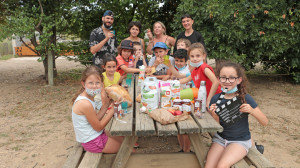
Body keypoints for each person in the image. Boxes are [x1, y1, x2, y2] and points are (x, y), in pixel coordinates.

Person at [206, 62, 268, 168]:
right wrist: (214, 115)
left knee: (221, 166)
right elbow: (218, 126)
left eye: (231, 78)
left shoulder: (245, 98)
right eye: (223, 78)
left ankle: (255, 148)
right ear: (219, 79)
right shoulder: (216, 99)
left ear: (239, 80)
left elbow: (265, 122)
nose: (227, 81)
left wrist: (252, 111)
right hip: (220, 139)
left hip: (240, 141)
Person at [71, 66, 123, 153]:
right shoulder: (85, 103)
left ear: (102, 84)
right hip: (92, 140)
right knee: (126, 149)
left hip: (94, 134)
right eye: (91, 83)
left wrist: (106, 105)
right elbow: (98, 127)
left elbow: (96, 119)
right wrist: (113, 110)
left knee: (124, 140)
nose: (94, 86)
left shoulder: (89, 97)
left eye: (98, 83)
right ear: (83, 84)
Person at [168, 43, 221, 107]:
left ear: (204, 56)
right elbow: (183, 79)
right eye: (192, 56)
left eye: (198, 56)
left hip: (215, 99)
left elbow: (216, 82)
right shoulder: (196, 70)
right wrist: (169, 83)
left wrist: (209, 100)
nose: (195, 59)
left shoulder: (204, 67)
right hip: (205, 98)